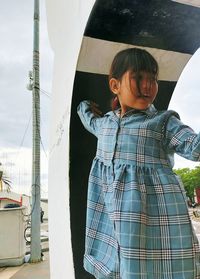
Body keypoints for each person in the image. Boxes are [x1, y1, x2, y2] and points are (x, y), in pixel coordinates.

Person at [77, 48, 200, 279]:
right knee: (117, 267)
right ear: (115, 86)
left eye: (153, 78)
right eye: (139, 78)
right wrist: (83, 105)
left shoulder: (162, 123)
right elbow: (88, 120)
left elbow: (193, 145)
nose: (148, 85)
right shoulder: (105, 124)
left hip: (151, 218)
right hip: (111, 218)